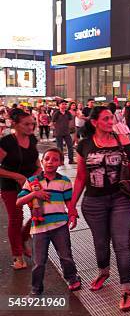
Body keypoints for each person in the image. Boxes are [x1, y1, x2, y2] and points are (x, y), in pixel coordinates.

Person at [68, 106, 130, 312]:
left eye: (112, 118)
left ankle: (127, 289)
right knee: (100, 242)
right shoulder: (84, 145)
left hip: (121, 200)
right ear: (94, 122)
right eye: (106, 119)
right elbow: (81, 177)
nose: (111, 121)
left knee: (121, 243)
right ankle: (104, 271)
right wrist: (72, 206)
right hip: (94, 203)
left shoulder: (123, 141)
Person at [16, 148, 82, 295]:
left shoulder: (64, 181)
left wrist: (72, 215)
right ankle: (36, 289)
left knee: (65, 255)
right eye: (47, 159)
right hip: (39, 228)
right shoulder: (32, 182)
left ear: (60, 162)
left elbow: (69, 202)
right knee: (39, 262)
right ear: (42, 161)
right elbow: (19, 202)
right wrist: (34, 193)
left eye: (55, 159)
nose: (50, 162)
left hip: (60, 226)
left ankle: (72, 278)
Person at [0, 109, 40, 270]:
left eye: (32, 124)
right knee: (16, 218)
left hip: (31, 183)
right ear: (15, 125)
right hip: (11, 186)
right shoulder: (6, 142)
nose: (30, 127)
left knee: (39, 213)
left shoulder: (33, 139)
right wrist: (17, 176)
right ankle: (17, 256)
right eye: (26, 124)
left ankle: (23, 237)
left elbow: (38, 164)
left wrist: (37, 175)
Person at [52, 100, 75, 164]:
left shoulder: (68, 113)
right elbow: (53, 122)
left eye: (65, 104)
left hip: (67, 132)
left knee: (70, 146)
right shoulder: (56, 113)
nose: (64, 105)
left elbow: (70, 120)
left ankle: (71, 160)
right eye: (62, 104)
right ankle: (61, 161)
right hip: (58, 133)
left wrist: (70, 128)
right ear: (59, 105)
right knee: (60, 148)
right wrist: (55, 129)